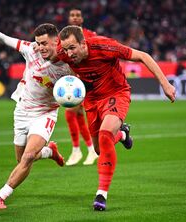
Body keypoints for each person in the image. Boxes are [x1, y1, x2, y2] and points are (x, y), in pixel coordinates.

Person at [0, 22, 73, 209]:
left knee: (27, 158)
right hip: (22, 111)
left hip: (45, 113)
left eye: (44, 43)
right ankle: (50, 152)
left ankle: (0, 196)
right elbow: (3, 38)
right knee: (22, 160)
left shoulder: (69, 62)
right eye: (38, 43)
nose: (40, 47)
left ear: (56, 41)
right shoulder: (31, 50)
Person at [58, 25, 176, 211]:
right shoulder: (63, 53)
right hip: (91, 100)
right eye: (65, 49)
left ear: (83, 43)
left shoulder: (105, 47)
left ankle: (101, 194)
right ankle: (122, 135)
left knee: (105, 135)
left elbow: (143, 56)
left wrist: (165, 84)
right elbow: (45, 53)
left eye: (72, 48)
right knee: (98, 149)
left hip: (115, 93)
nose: (68, 53)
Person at [64, 7, 98, 166]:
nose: (75, 17)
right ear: (69, 18)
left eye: (78, 15)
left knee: (71, 111)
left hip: (89, 80)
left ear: (82, 19)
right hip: (73, 80)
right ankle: (87, 150)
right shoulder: (63, 37)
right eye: (72, 15)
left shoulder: (91, 35)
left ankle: (79, 149)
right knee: (75, 113)